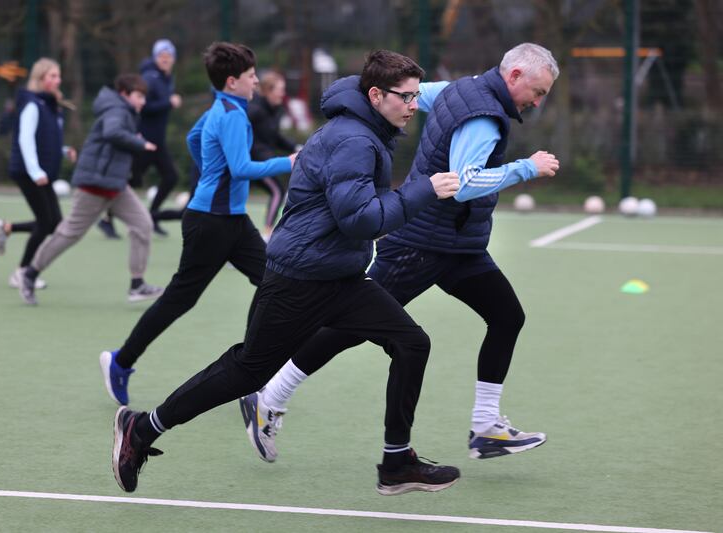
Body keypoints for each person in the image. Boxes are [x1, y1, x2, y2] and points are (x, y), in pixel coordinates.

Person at [110, 48, 463, 497]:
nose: (414, 105)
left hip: (339, 275)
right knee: (247, 371)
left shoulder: (366, 131)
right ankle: (142, 428)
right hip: (301, 277)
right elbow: (359, 219)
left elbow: (357, 214)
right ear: (376, 95)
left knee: (412, 342)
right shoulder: (354, 140)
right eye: (406, 96)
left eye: (417, 96)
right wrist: (421, 192)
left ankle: (396, 463)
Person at [240, 43, 561, 465]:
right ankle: (269, 396)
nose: (537, 102)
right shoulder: (483, 116)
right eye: (537, 91)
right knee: (349, 328)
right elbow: (464, 183)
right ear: (515, 75)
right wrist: (526, 167)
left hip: (458, 244)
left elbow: (414, 94)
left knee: (507, 316)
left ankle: (486, 427)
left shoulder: (460, 88)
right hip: (421, 242)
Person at [99, 42, 294, 406]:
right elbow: (241, 169)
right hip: (211, 223)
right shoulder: (233, 114)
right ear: (233, 81)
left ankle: (250, 371)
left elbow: (194, 139)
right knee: (180, 299)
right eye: (252, 77)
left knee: (271, 281)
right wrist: (290, 162)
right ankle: (120, 362)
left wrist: (210, 175)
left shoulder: (221, 107)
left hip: (231, 221)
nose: (256, 83)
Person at [17, 74, 164, 306]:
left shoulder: (123, 111)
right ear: (125, 94)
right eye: (139, 96)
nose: (142, 101)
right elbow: (112, 132)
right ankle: (29, 274)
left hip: (115, 184)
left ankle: (137, 285)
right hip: (95, 184)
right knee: (69, 234)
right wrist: (140, 143)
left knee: (143, 224)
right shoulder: (118, 110)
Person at [0, 58, 76, 291]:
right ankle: (22, 272)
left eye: (58, 76)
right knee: (47, 222)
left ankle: (6, 228)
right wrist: (35, 170)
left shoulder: (50, 105)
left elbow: (43, 139)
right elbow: (25, 140)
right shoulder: (31, 104)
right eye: (52, 76)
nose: (57, 81)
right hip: (28, 172)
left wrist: (63, 150)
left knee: (54, 223)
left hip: (41, 172)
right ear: (39, 79)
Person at [98, 39, 181, 239]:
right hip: (143, 141)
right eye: (161, 55)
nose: (165, 59)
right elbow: (143, 107)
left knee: (170, 177)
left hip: (157, 143)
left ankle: (152, 216)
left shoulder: (166, 78)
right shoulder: (150, 78)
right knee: (132, 181)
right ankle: (106, 219)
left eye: (168, 56)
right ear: (155, 57)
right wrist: (168, 103)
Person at [247, 71, 298, 238]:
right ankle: (267, 234)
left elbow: (274, 137)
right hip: (253, 163)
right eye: (280, 89)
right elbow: (243, 136)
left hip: (263, 161)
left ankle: (265, 233)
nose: (283, 93)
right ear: (268, 90)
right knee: (277, 190)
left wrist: (295, 147)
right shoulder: (254, 110)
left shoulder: (274, 110)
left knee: (277, 191)